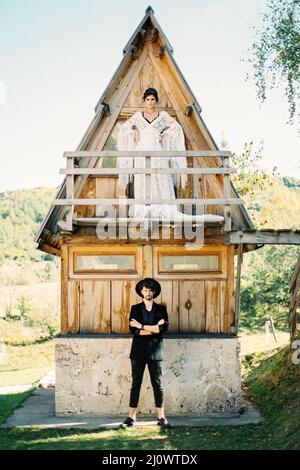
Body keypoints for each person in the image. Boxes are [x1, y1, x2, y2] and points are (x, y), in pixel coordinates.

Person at [116, 87, 194, 220]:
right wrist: (135, 132)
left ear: (156, 101)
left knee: (161, 177)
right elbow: (123, 129)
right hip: (141, 151)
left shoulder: (162, 116)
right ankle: (144, 210)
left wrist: (164, 134)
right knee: (143, 179)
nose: (150, 102)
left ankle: (165, 210)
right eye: (147, 99)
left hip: (158, 151)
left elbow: (177, 128)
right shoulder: (137, 116)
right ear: (144, 101)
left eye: (152, 99)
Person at [119, 277, 171, 429]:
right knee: (136, 384)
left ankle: (161, 417)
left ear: (154, 292)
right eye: (145, 290)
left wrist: (142, 326)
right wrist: (153, 328)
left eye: (150, 290)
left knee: (158, 384)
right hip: (138, 352)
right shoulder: (135, 308)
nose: (148, 293)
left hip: (156, 352)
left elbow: (162, 330)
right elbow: (134, 331)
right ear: (141, 292)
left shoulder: (161, 309)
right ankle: (131, 417)